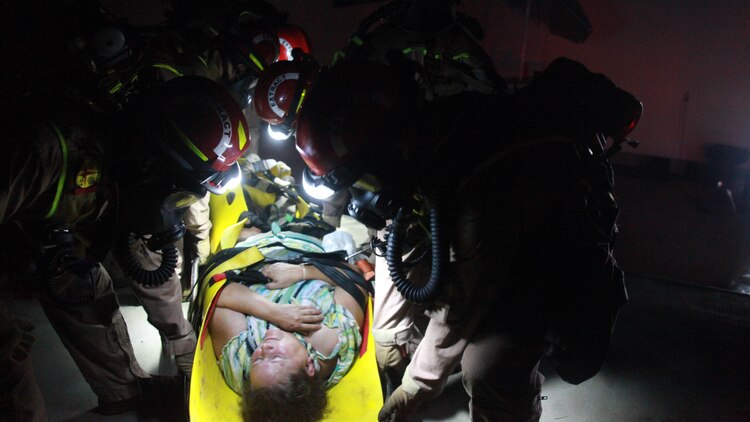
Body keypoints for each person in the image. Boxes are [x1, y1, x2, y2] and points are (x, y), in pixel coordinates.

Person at [252, 57, 640, 421]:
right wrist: (390, 336)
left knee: (488, 367)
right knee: (395, 326)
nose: (363, 193)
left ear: (385, 153)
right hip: (475, 241)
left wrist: (416, 387)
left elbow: (464, 301)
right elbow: (402, 241)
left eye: (363, 179)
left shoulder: (479, 179)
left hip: (537, 258)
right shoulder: (419, 147)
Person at [0, 75, 251, 417]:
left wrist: (184, 346)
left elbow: (146, 259)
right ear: (152, 160)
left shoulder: (121, 170)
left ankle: (123, 394)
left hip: (31, 232)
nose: (173, 204)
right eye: (176, 190)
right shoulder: (45, 150)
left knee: (79, 279)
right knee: (9, 356)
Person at [206, 257, 369, 421]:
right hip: (306, 252)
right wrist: (302, 272)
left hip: (250, 257)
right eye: (276, 357)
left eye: (257, 360)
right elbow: (354, 275)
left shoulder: (240, 367)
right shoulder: (332, 339)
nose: (264, 349)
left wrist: (274, 312)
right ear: (309, 366)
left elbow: (217, 293)